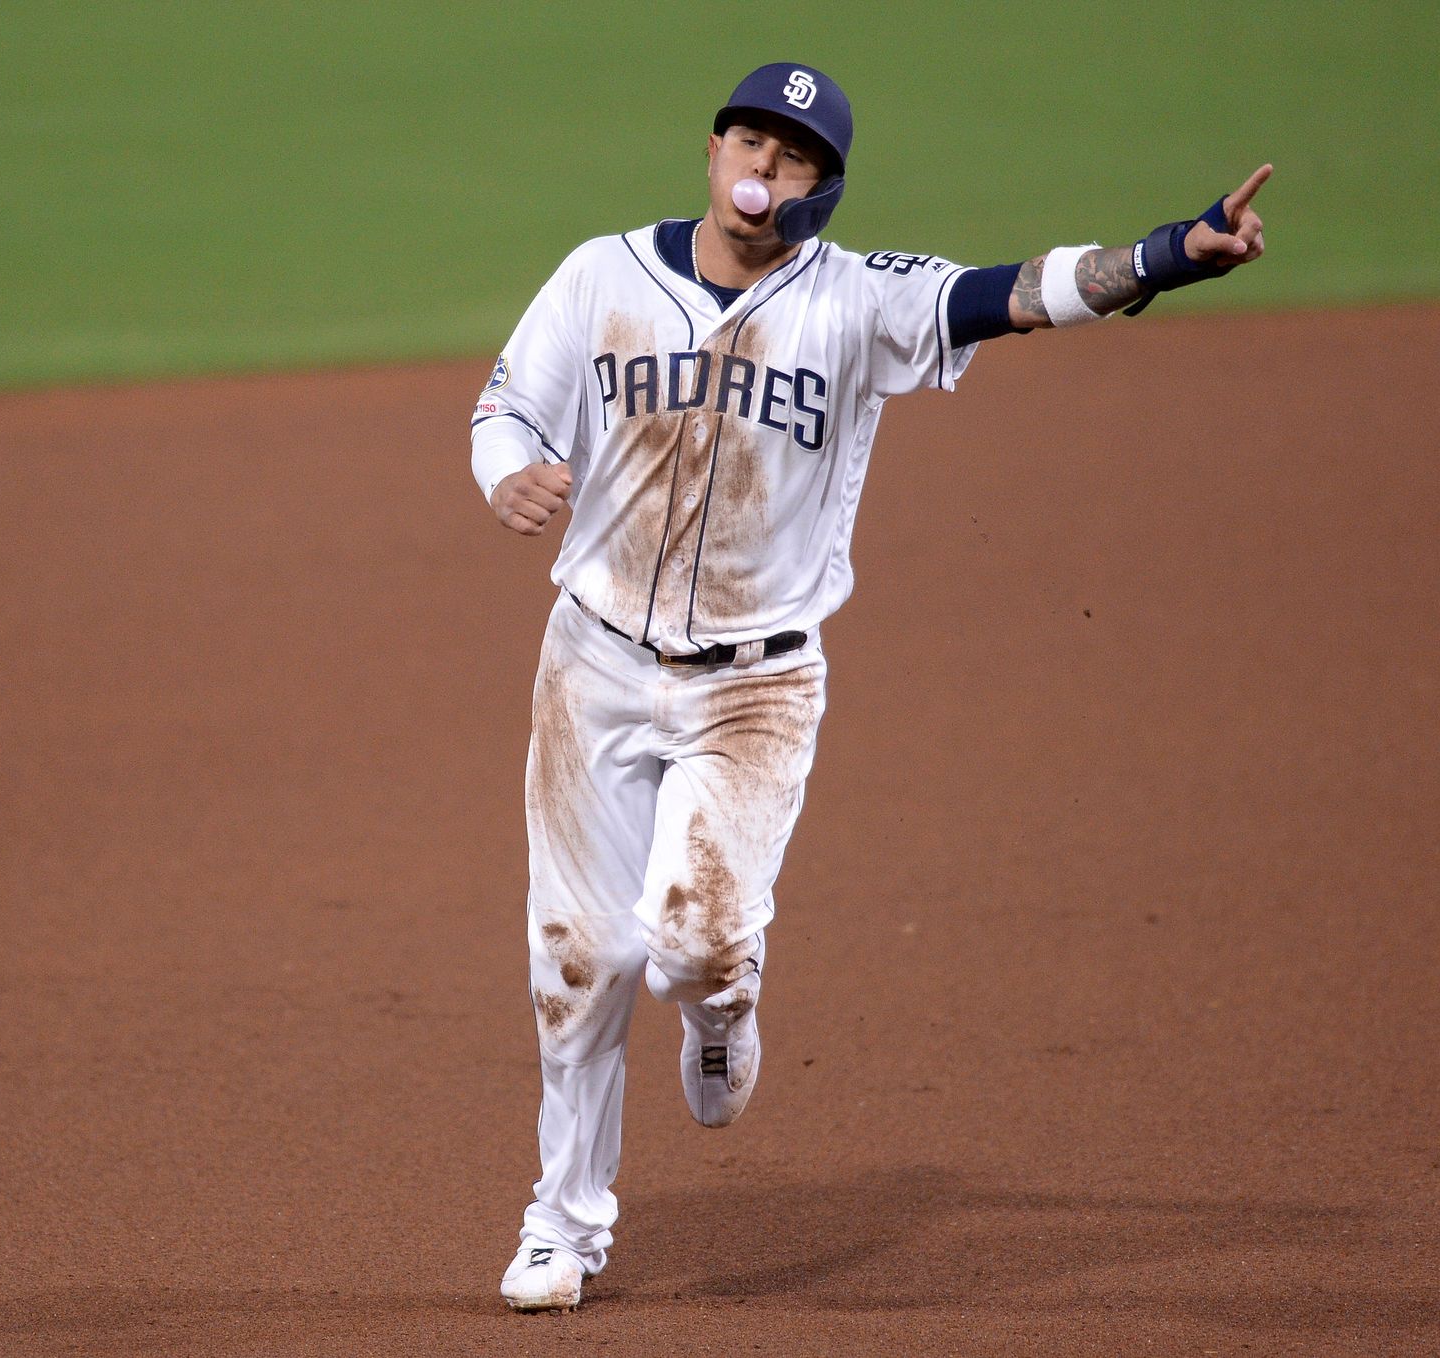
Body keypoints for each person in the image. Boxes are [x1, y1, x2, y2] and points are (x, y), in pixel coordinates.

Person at [471, 61, 1268, 1312]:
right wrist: (506, 471)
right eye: (749, 139)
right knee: (574, 954)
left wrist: (1168, 255)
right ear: (714, 145)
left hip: (756, 687)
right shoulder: (600, 274)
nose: (761, 171)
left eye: (792, 157)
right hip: (595, 662)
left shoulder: (859, 301)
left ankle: (723, 1000)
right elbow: (505, 407)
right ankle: (562, 1224)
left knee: (688, 943)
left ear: (824, 186)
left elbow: (1014, 294)